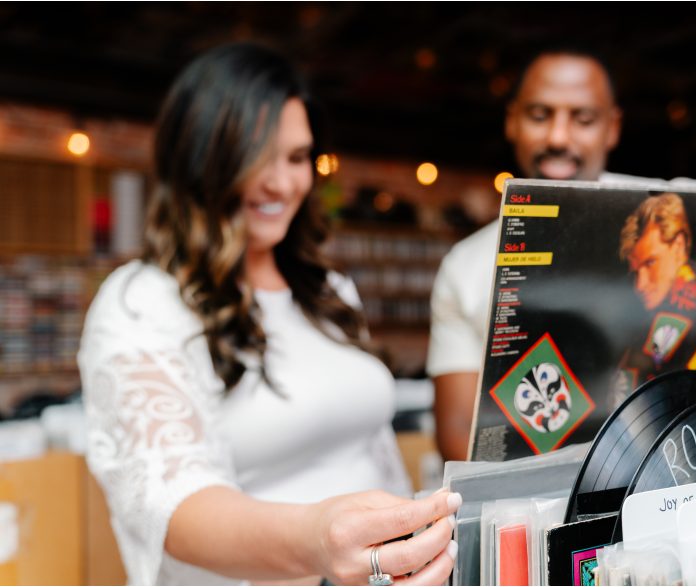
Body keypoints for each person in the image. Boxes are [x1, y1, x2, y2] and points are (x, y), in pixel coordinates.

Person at [78, 43, 458, 586]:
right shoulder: (142, 301)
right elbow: (172, 505)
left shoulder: (329, 292)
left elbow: (374, 455)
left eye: (298, 157)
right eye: (257, 158)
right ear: (200, 160)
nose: (281, 183)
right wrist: (317, 540)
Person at [428, 48, 696, 462]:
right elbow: (456, 430)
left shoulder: (681, 209)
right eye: (540, 115)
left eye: (583, 119)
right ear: (512, 121)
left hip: (677, 473)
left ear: (612, 128)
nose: (558, 137)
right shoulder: (463, 266)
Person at [610, 193, 696, 407]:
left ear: (678, 246)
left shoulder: (678, 307)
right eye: (635, 272)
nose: (640, 285)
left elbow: (624, 390)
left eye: (651, 262)